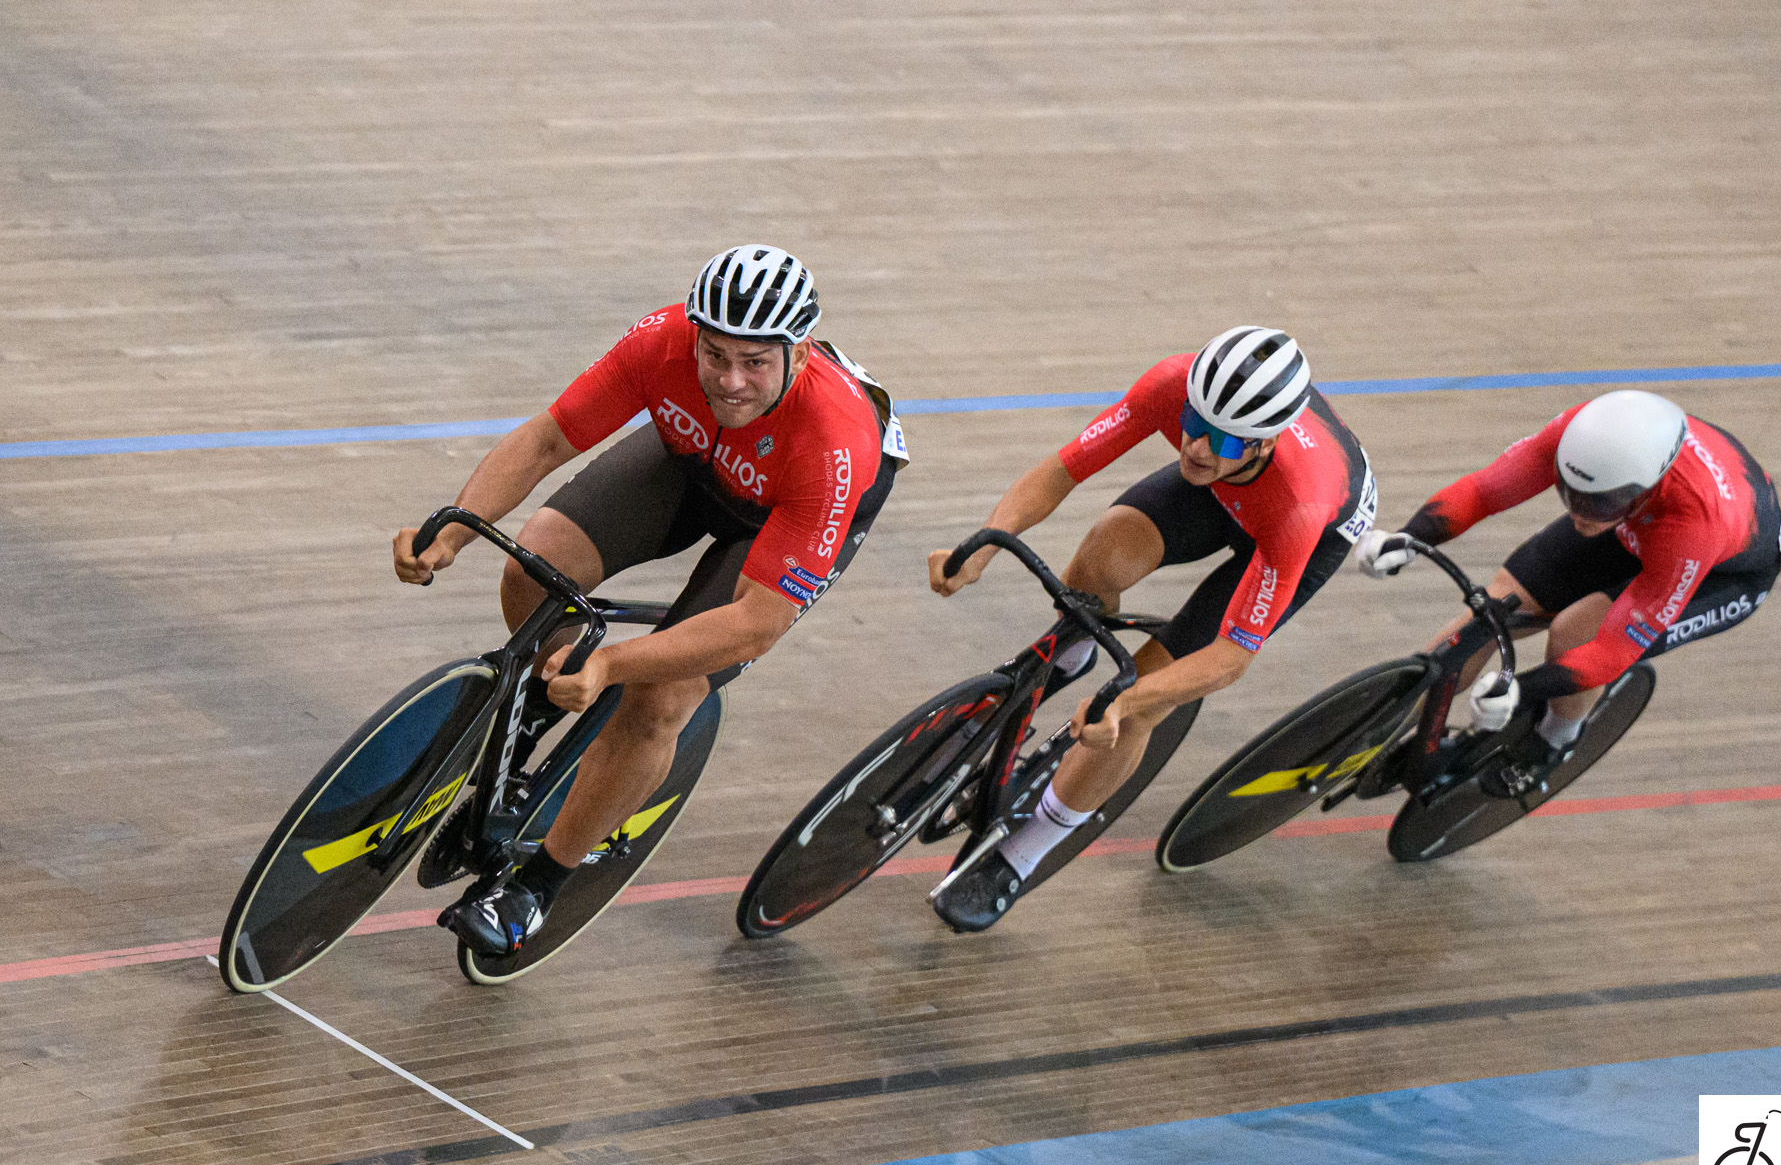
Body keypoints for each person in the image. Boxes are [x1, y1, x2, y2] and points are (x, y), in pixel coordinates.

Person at [393, 245, 908, 955]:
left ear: (801, 353)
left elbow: (755, 623)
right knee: (534, 563)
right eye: (716, 354)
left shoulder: (836, 441)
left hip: (784, 512)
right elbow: (547, 439)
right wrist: (455, 527)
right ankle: (545, 699)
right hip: (696, 461)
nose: (730, 380)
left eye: (756, 362)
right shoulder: (660, 344)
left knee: (660, 698)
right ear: (692, 335)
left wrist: (614, 664)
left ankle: (537, 887)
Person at [927, 325, 1377, 931]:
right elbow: (1064, 469)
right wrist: (986, 543)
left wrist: (1125, 699)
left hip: (1301, 526)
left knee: (1139, 707)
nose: (1196, 445)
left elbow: (1230, 656)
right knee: (1101, 555)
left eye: (1223, 438)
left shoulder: (1300, 499)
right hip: (1231, 491)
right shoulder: (1174, 388)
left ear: (1263, 443)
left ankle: (1020, 856)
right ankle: (1075, 651)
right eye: (1195, 421)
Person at [1352, 389, 1781, 793]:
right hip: (1634, 527)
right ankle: (1374, 729)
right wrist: (1407, 538)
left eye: (1597, 502)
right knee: (1491, 613)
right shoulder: (1580, 440)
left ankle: (1556, 740)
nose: (1578, 513)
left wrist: (1518, 687)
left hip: (1720, 572)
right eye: (1569, 492)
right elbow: (1486, 491)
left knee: (1574, 633)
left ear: (1646, 487)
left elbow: (1612, 650)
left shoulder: (1694, 523)